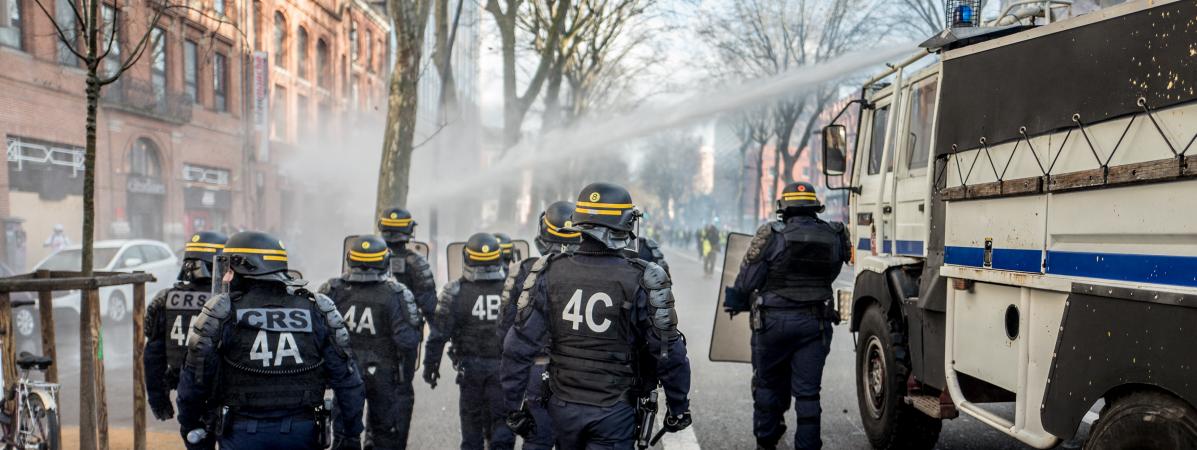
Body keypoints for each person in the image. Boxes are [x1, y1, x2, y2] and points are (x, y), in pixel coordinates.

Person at [501, 182, 692, 449]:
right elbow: (666, 350)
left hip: (561, 406)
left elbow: (517, 345)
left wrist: (513, 406)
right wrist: (678, 405)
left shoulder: (547, 270)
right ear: (625, 224)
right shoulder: (644, 275)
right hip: (614, 410)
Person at [176, 231, 365, 450]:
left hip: (241, 434)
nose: (226, 276)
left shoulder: (220, 312)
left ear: (244, 267)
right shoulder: (318, 308)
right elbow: (348, 382)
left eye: (229, 267)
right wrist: (349, 436)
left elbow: (194, 381)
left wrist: (192, 429)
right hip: (302, 433)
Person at [723, 181, 851, 450]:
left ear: (784, 207)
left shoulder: (770, 233)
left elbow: (748, 280)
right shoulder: (836, 233)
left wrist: (736, 300)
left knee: (768, 385)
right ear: (815, 206)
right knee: (808, 394)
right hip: (815, 324)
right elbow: (834, 272)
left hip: (772, 324)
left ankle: (767, 442)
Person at [319, 235, 425, 450]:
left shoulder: (332, 290)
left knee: (345, 432)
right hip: (384, 374)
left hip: (345, 372)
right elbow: (407, 341)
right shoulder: (396, 293)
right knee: (384, 433)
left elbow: (317, 335)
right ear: (385, 261)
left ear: (350, 260)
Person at [496, 201, 582, 450]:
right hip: (584, 377)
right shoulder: (599, 272)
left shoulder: (524, 270)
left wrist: (513, 402)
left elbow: (506, 331)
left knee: (537, 441)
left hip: (538, 371)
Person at [424, 233, 514, 450]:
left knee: (472, 425)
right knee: (502, 423)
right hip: (503, 367)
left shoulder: (454, 290)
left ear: (467, 257)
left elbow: (438, 335)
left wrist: (430, 365)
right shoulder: (512, 289)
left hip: (470, 367)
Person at [144, 231, 227, 426]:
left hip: (187, 391)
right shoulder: (230, 302)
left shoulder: (167, 299)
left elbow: (153, 356)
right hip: (224, 393)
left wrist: (158, 399)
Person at [378, 207, 436, 436]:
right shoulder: (417, 263)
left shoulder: (363, 259)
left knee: (374, 392)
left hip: (369, 339)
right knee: (401, 391)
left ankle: (374, 436)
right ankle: (394, 440)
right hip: (404, 342)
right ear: (410, 230)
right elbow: (431, 309)